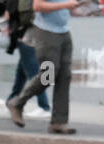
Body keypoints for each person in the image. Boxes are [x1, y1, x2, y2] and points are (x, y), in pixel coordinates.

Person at [6, 0, 80, 134]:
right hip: (46, 33)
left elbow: (66, 8)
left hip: (64, 32)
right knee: (49, 74)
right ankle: (17, 103)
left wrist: (78, 8)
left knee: (65, 76)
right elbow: (37, 6)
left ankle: (59, 122)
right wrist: (65, 5)